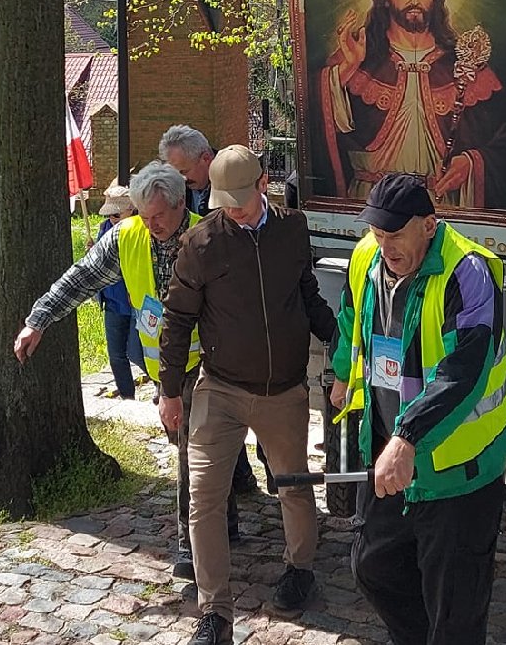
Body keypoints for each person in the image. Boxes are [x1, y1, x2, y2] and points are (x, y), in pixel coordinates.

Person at [12, 161, 236, 581]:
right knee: (194, 447)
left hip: (208, 363)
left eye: (159, 216)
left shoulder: (209, 235)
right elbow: (82, 278)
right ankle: (226, 512)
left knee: (193, 450)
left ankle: (192, 544)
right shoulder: (126, 237)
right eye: (143, 215)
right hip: (162, 368)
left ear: (180, 203)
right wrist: (38, 320)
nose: (151, 225)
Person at [158, 145, 338, 645]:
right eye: (224, 202)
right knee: (203, 496)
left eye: (241, 199)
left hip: (283, 389)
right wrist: (170, 390)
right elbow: (177, 320)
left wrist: (343, 348)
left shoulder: (292, 229)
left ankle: (300, 567)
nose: (233, 210)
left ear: (263, 184)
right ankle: (214, 611)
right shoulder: (200, 243)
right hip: (220, 386)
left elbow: (307, 295)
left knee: (294, 486)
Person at [328, 173, 506, 645]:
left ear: (429, 225)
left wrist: (407, 436)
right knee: (373, 566)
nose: (384, 246)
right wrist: (341, 374)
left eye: (396, 234)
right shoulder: (367, 257)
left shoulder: (468, 272)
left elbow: (463, 371)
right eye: (377, 233)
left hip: (457, 470)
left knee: (455, 609)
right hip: (390, 456)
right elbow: (351, 316)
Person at [316, 0, 506, 208]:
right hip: (372, 206)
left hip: (442, 208)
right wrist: (343, 73)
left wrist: (470, 162)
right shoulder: (359, 60)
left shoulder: (464, 60)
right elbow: (317, 131)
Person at [158, 124, 259, 494]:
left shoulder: (237, 186)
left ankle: (247, 476)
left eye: (184, 173)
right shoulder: (185, 199)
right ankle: (239, 477)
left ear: (206, 159)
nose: (181, 181)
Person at [96, 184, 146, 399]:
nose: (113, 218)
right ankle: (127, 396)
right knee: (116, 355)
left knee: (137, 352)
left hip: (136, 301)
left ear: (132, 210)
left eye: (117, 214)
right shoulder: (104, 228)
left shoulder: (141, 229)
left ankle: (163, 386)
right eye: (110, 214)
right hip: (113, 300)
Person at [159, 125, 215, 216]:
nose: (182, 179)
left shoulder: (233, 178)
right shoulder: (174, 185)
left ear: (206, 158)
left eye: (184, 172)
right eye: (176, 173)